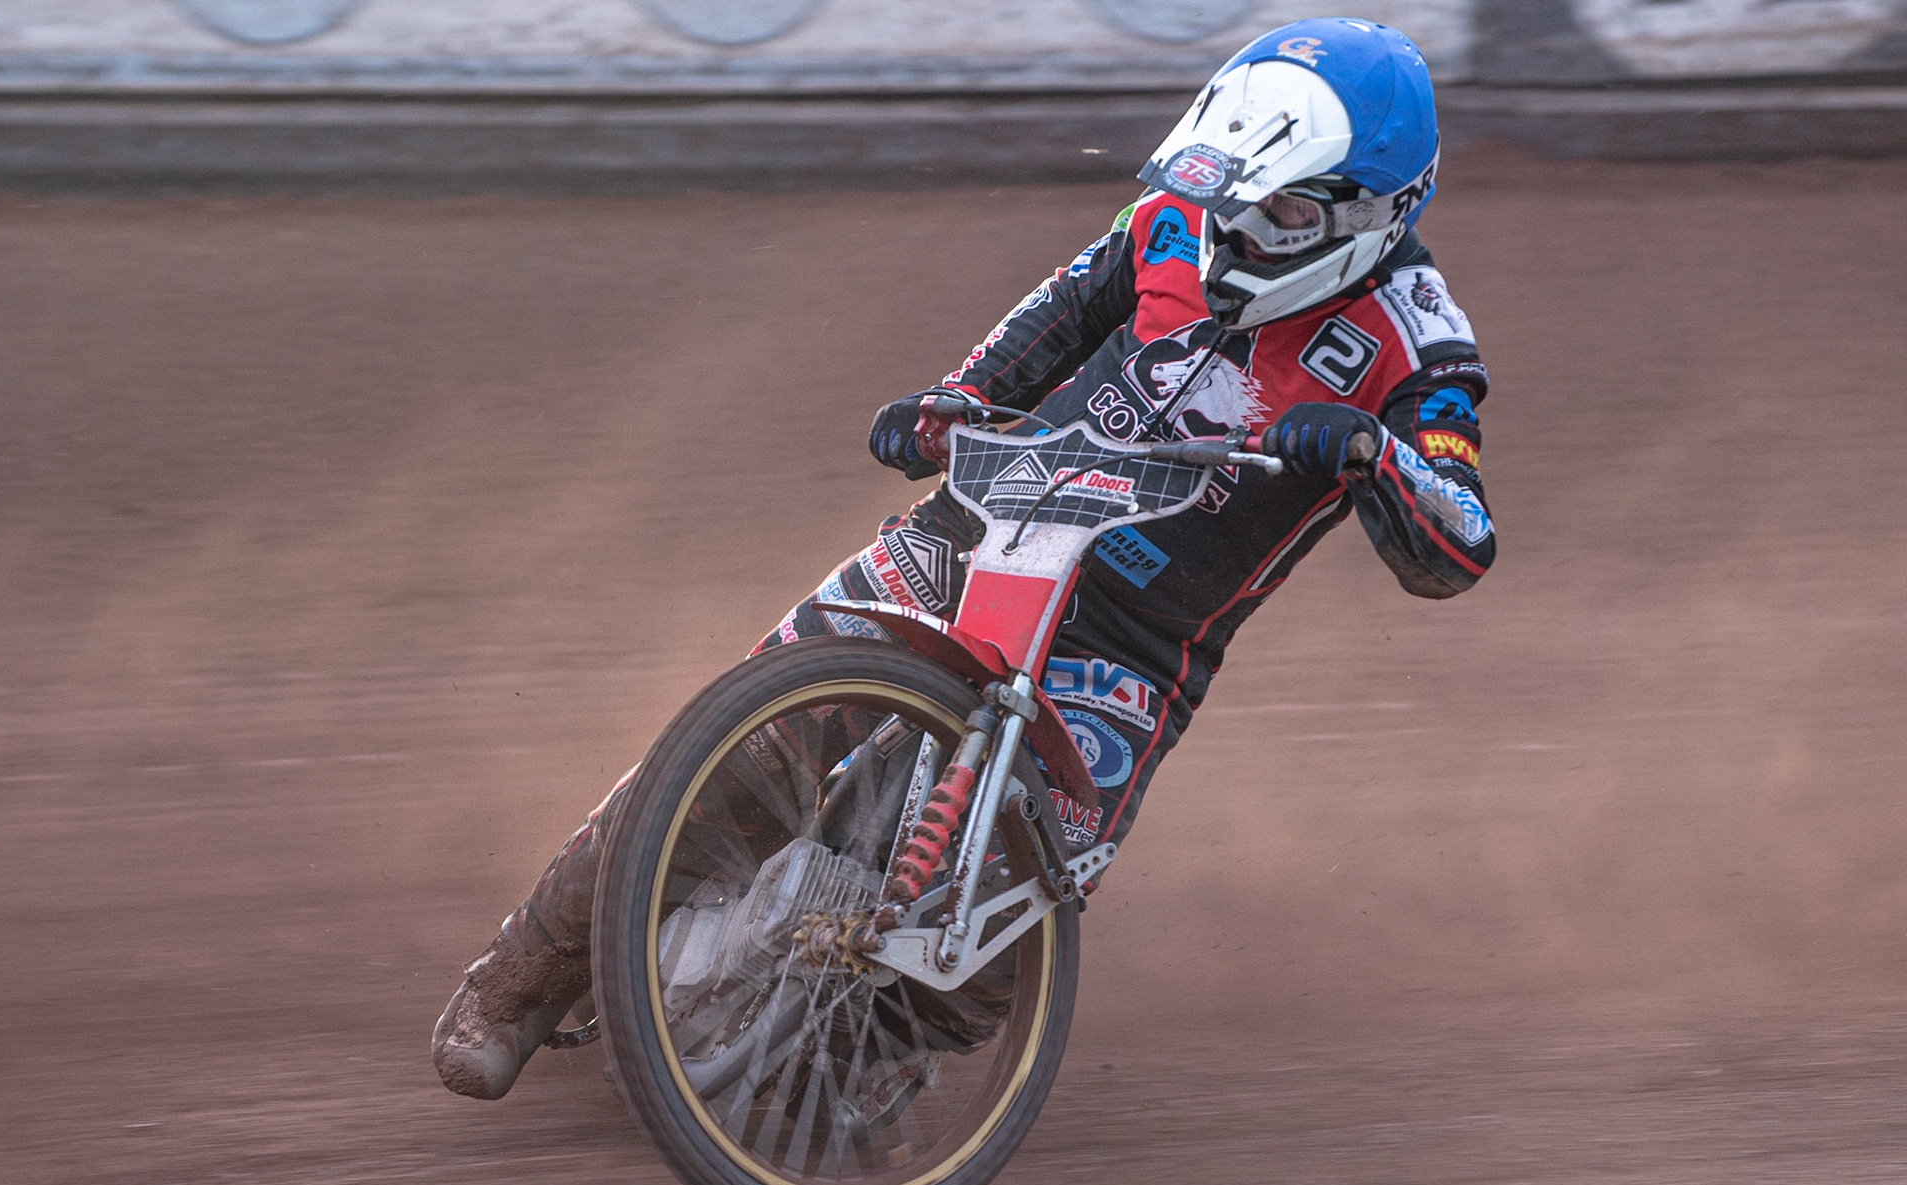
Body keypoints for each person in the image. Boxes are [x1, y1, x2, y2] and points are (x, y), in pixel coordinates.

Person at [433, 16, 1495, 1101]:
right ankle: (522, 975)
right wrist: (956, 403)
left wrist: (1376, 453)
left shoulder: (1421, 345)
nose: (1241, 230)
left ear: (1377, 212)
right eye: (1234, 195)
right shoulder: (1172, 218)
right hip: (980, 532)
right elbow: (1057, 316)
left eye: (1284, 212)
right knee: (743, 740)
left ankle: (842, 1082)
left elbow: (1459, 541)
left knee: (1004, 912)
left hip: (1131, 644)